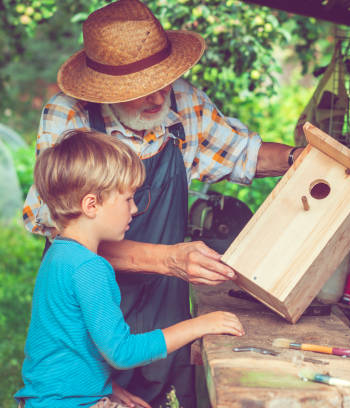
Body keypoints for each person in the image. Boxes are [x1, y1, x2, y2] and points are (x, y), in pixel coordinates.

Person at [21, 0, 304, 406]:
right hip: (98, 304)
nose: (159, 97)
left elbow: (242, 153)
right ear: (105, 90)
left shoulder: (182, 101)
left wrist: (302, 159)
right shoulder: (69, 118)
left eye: (165, 80)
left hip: (158, 310)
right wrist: (170, 259)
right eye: (140, 89)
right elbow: (57, 220)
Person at [15, 130, 245, 408]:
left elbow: (61, 344)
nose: (134, 209)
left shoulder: (58, 256)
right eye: (127, 199)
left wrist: (106, 387)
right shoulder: (91, 268)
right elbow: (122, 353)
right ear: (91, 205)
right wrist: (200, 325)